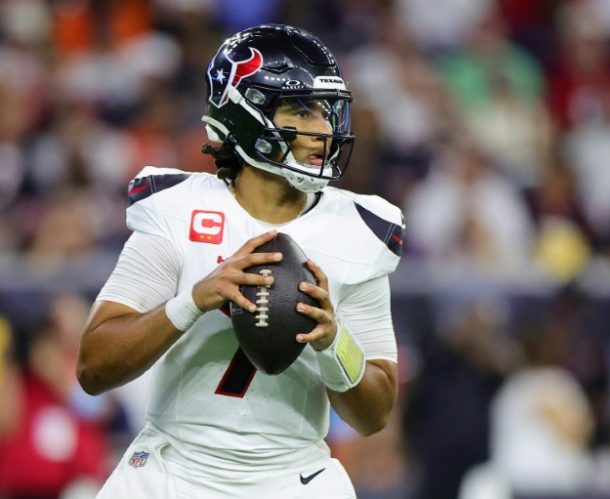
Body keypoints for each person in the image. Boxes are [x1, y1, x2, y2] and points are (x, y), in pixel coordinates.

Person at [76, 24, 405, 498]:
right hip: (173, 468)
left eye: (328, 111)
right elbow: (93, 368)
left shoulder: (359, 229)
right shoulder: (177, 210)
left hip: (293, 477)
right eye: (301, 110)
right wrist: (192, 301)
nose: (325, 129)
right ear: (245, 113)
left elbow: (375, 414)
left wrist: (334, 343)